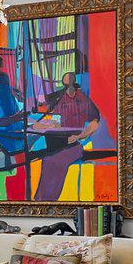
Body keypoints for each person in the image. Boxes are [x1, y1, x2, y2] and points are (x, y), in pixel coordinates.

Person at [29, 72, 104, 202]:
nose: (66, 86)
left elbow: (95, 122)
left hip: (76, 143)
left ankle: (45, 200)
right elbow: (52, 119)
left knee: (52, 160)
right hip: (60, 141)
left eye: (68, 83)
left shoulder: (83, 99)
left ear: (73, 82)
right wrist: (45, 124)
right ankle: (41, 201)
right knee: (42, 157)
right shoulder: (60, 99)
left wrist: (80, 136)